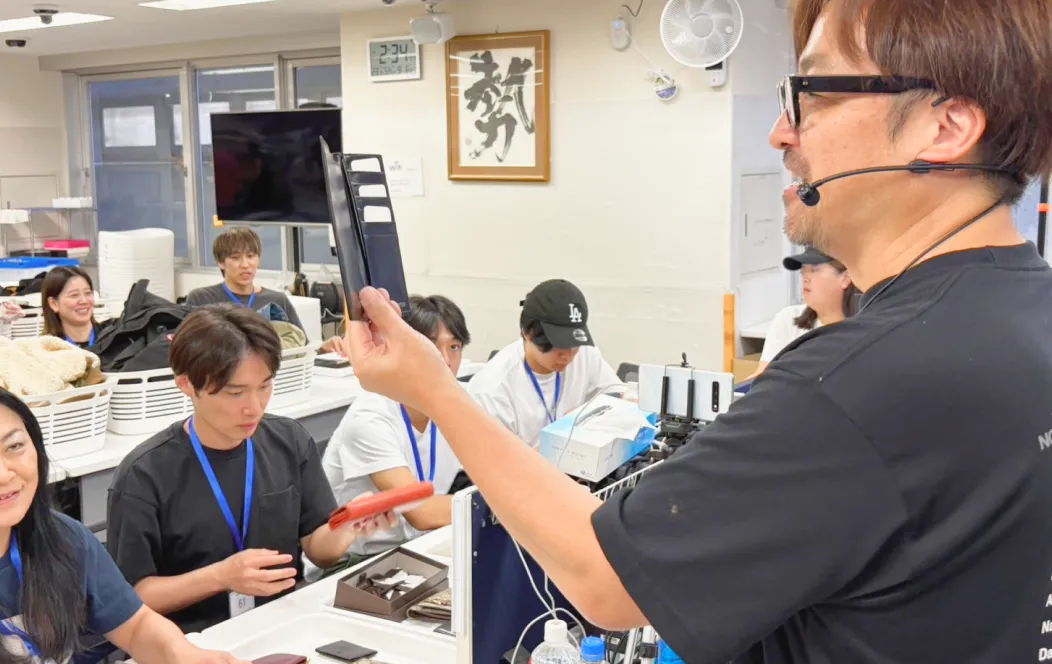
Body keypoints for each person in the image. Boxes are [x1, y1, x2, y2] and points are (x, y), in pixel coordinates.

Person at [340, 0, 1052, 661]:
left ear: (947, 126)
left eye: (819, 93)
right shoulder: (1026, 310)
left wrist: (434, 391)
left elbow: (604, 577)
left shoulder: (858, 383)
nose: (782, 131)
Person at [106, 305, 394, 633]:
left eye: (264, 386)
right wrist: (220, 577)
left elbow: (318, 549)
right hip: (191, 642)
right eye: (235, 392)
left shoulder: (289, 441)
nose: (254, 407)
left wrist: (349, 524)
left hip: (284, 623)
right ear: (186, 384)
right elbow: (130, 598)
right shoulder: (143, 475)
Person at [0, 388, 246, 664]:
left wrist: (183, 656)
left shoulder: (62, 537)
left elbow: (135, 626)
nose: (4, 474)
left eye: (14, 446)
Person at [313, 295, 469, 575]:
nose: (445, 360)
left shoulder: (461, 402)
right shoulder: (371, 416)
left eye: (455, 346)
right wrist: (506, 504)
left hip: (419, 546)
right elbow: (420, 513)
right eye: (432, 346)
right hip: (355, 561)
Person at [468, 279, 623, 449]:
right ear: (527, 332)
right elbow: (496, 465)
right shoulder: (493, 389)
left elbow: (623, 398)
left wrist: (584, 417)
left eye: (574, 343)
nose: (568, 356)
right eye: (559, 344)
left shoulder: (586, 355)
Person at [185, 227, 349, 355]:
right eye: (235, 258)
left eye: (251, 256)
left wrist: (323, 348)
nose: (245, 264)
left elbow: (301, 350)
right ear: (221, 263)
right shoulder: (202, 298)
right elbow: (191, 349)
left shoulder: (277, 299)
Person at [750, 246, 858, 378]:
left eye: (814, 270)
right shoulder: (788, 319)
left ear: (845, 279)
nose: (805, 278)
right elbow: (762, 377)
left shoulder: (865, 328)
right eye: (803, 272)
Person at [41, 267, 102, 348]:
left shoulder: (112, 339)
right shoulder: (45, 349)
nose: (84, 301)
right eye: (74, 295)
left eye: (88, 293)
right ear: (54, 304)